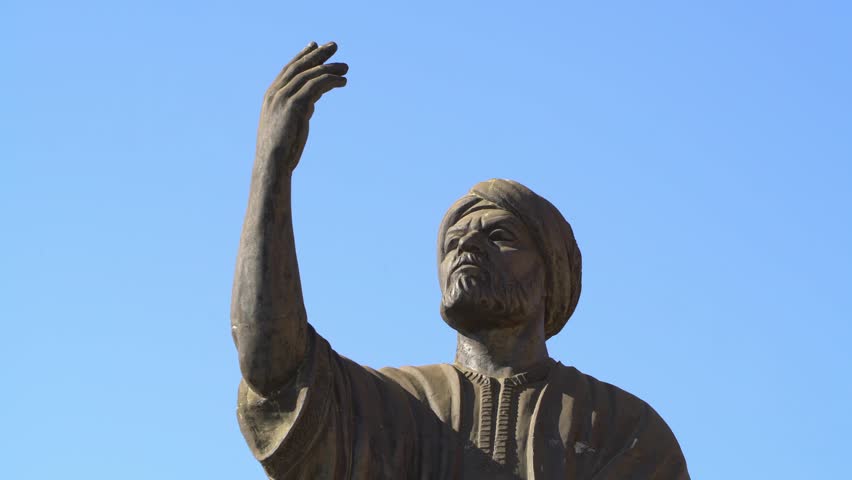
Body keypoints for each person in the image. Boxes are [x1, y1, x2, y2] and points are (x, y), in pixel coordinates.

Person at [231, 41, 690, 479]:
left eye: (499, 236)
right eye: (454, 241)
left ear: (551, 276)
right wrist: (272, 167)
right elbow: (275, 368)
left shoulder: (623, 430)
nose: (466, 248)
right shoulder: (396, 406)